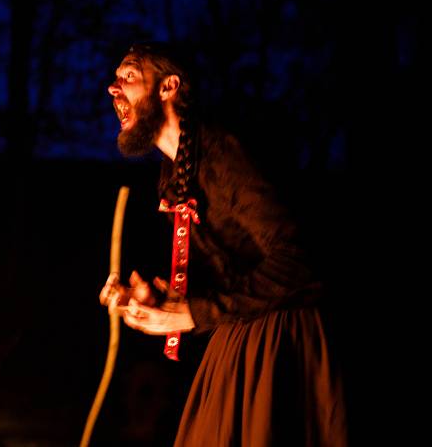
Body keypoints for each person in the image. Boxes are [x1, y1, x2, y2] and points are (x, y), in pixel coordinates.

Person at [99, 42, 347, 446]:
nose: (113, 88)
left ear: (168, 87)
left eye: (128, 75)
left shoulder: (221, 153)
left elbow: (297, 260)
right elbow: (230, 279)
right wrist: (158, 301)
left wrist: (194, 313)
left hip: (282, 340)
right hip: (238, 338)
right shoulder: (175, 172)